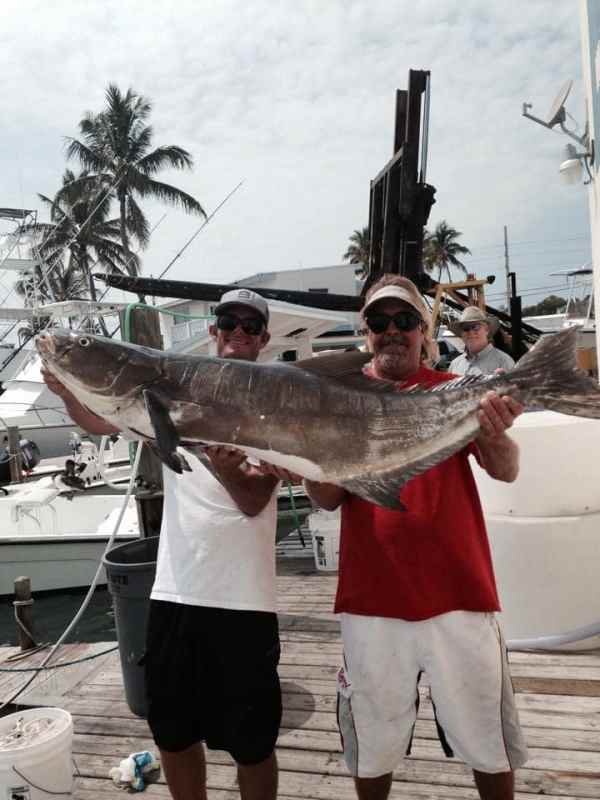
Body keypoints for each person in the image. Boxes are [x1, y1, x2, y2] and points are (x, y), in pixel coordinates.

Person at [42, 288, 282, 800]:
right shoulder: (166, 391)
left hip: (243, 600)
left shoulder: (269, 405)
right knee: (172, 732)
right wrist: (67, 392)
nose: (238, 331)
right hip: (174, 592)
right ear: (214, 331)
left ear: (262, 340)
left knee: (253, 741)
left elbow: (256, 501)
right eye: (228, 322)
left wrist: (225, 469)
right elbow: (103, 420)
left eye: (250, 325)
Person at [304, 275, 529, 800]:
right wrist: (317, 450)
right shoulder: (339, 395)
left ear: (423, 331)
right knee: (372, 746)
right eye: (380, 322)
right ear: (366, 332)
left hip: (461, 594)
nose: (393, 332)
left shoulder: (453, 389)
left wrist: (494, 435)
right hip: (372, 600)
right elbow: (326, 498)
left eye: (405, 321)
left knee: (488, 741)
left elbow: (507, 470)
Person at [450, 306, 515, 376]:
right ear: (461, 334)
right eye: (466, 328)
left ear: (487, 330)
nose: (471, 332)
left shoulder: (504, 361)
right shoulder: (455, 364)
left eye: (476, 327)